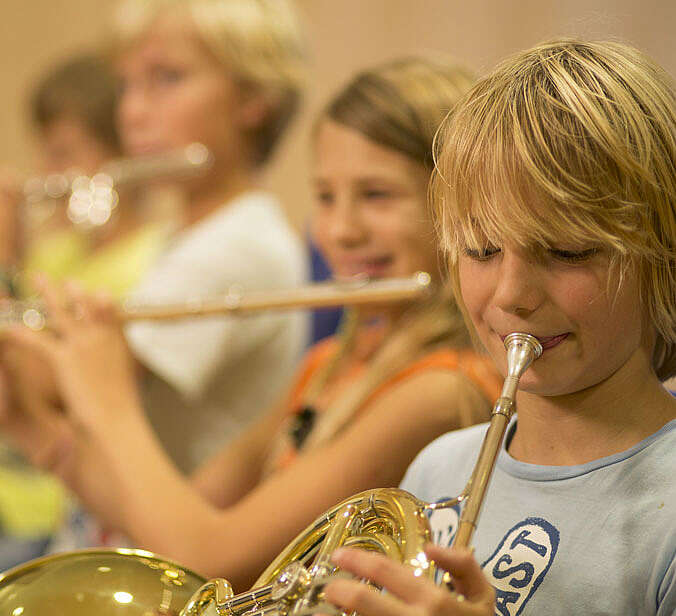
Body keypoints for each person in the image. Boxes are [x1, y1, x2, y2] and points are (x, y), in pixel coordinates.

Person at [0, 56, 502, 589]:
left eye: (375, 195)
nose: (340, 229)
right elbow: (176, 519)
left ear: (457, 210)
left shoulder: (444, 390)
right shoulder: (329, 367)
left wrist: (109, 400)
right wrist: (32, 428)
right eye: (325, 196)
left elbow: (208, 557)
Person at [321, 39, 676, 616]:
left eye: (566, 251)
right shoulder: (438, 467)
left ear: (663, 253)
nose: (510, 296)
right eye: (481, 250)